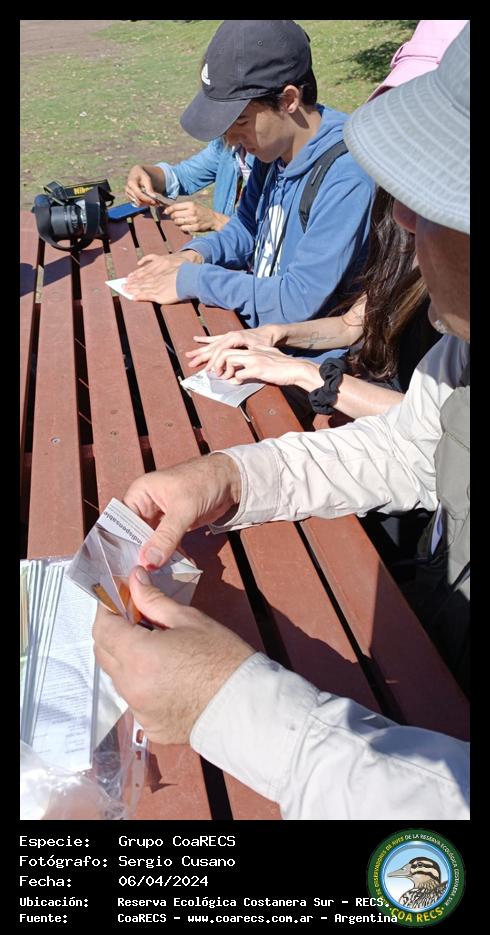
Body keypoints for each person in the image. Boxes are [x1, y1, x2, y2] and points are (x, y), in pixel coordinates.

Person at [93, 24, 470, 819]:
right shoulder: (460, 353)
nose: (399, 222)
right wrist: (231, 474)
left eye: (432, 193)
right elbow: (415, 446)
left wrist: (231, 707)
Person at [123, 20, 375, 363]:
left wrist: (194, 279)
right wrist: (191, 256)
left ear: (289, 99)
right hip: (257, 339)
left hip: (310, 365)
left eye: (240, 122)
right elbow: (244, 230)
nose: (231, 140)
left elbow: (296, 300)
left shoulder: (346, 175)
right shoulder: (274, 151)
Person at [185, 187, 437, 422]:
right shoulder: (404, 247)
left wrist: (303, 372)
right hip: (361, 393)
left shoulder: (450, 295)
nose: (402, 215)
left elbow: (430, 417)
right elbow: (349, 326)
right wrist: (273, 333)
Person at [125, 137, 254, 233]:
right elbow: (183, 176)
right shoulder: (227, 143)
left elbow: (263, 237)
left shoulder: (264, 160)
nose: (230, 135)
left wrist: (216, 220)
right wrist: (145, 173)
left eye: (242, 122)